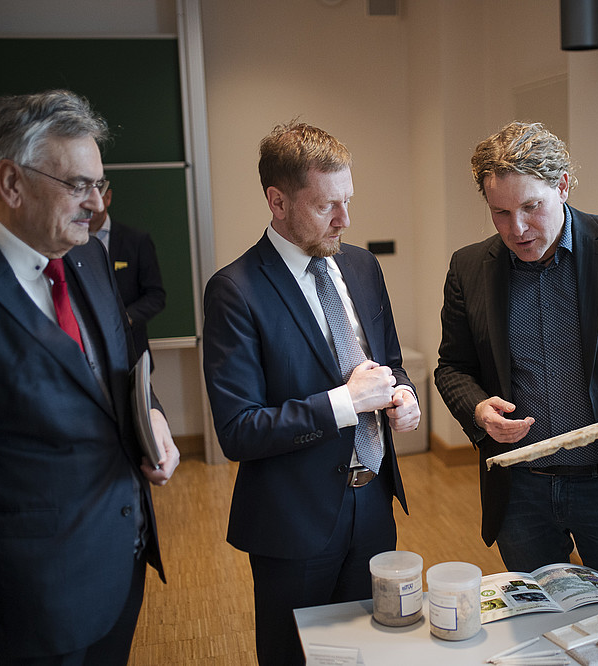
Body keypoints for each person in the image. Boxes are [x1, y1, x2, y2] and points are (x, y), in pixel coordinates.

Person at [0, 90, 180, 664]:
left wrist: (154, 416)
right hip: (31, 606)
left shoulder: (85, 256)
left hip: (121, 565)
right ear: (11, 182)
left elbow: (116, 366)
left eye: (100, 184)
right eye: (78, 186)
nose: (96, 204)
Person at [434, 121, 598, 637]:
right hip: (523, 493)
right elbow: (453, 367)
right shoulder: (469, 267)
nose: (516, 228)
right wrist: (479, 410)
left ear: (563, 186)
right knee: (539, 636)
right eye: (501, 212)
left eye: (531, 206)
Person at [202, 120, 420, 665]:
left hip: (372, 503)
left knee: (368, 652)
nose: (346, 220)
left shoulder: (362, 266)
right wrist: (346, 403)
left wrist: (403, 396)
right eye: (327, 206)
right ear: (277, 201)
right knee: (294, 658)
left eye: (348, 200)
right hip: (293, 520)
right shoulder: (234, 291)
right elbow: (238, 430)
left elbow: (389, 365)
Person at [88, 188, 167, 362]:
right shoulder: (68, 242)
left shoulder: (136, 241)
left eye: (95, 193)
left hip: (130, 350)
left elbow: (156, 295)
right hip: (86, 352)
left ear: (107, 197)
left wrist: (126, 318)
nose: (89, 203)